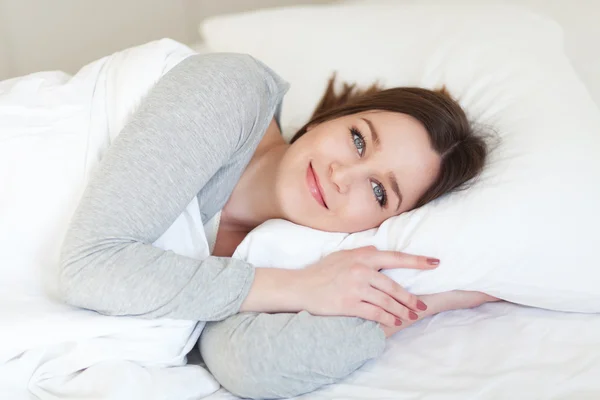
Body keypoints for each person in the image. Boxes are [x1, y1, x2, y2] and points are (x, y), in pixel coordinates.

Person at [58, 53, 497, 399]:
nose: (341, 177)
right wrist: (298, 288)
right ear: (329, 118)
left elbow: (248, 366)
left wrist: (423, 302)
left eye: (380, 192)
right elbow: (90, 266)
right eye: (358, 140)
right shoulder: (233, 89)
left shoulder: (291, 256)